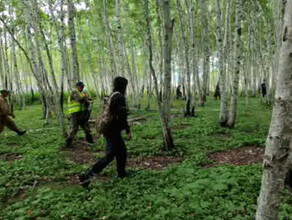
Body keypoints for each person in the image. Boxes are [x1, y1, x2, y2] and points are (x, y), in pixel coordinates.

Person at [79, 76, 133, 187]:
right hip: (113, 131)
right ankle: (87, 176)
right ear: (123, 86)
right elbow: (122, 117)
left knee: (122, 152)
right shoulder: (120, 98)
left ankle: (121, 174)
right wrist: (128, 130)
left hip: (109, 130)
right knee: (110, 156)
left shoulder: (112, 95)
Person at [65, 82, 94, 149]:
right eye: (81, 86)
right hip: (74, 113)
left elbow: (86, 100)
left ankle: (90, 141)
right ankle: (68, 144)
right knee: (74, 128)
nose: (82, 88)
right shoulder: (74, 92)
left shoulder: (82, 93)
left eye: (83, 86)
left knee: (86, 127)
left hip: (81, 113)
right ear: (77, 86)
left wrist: (89, 100)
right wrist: (86, 98)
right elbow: (80, 100)